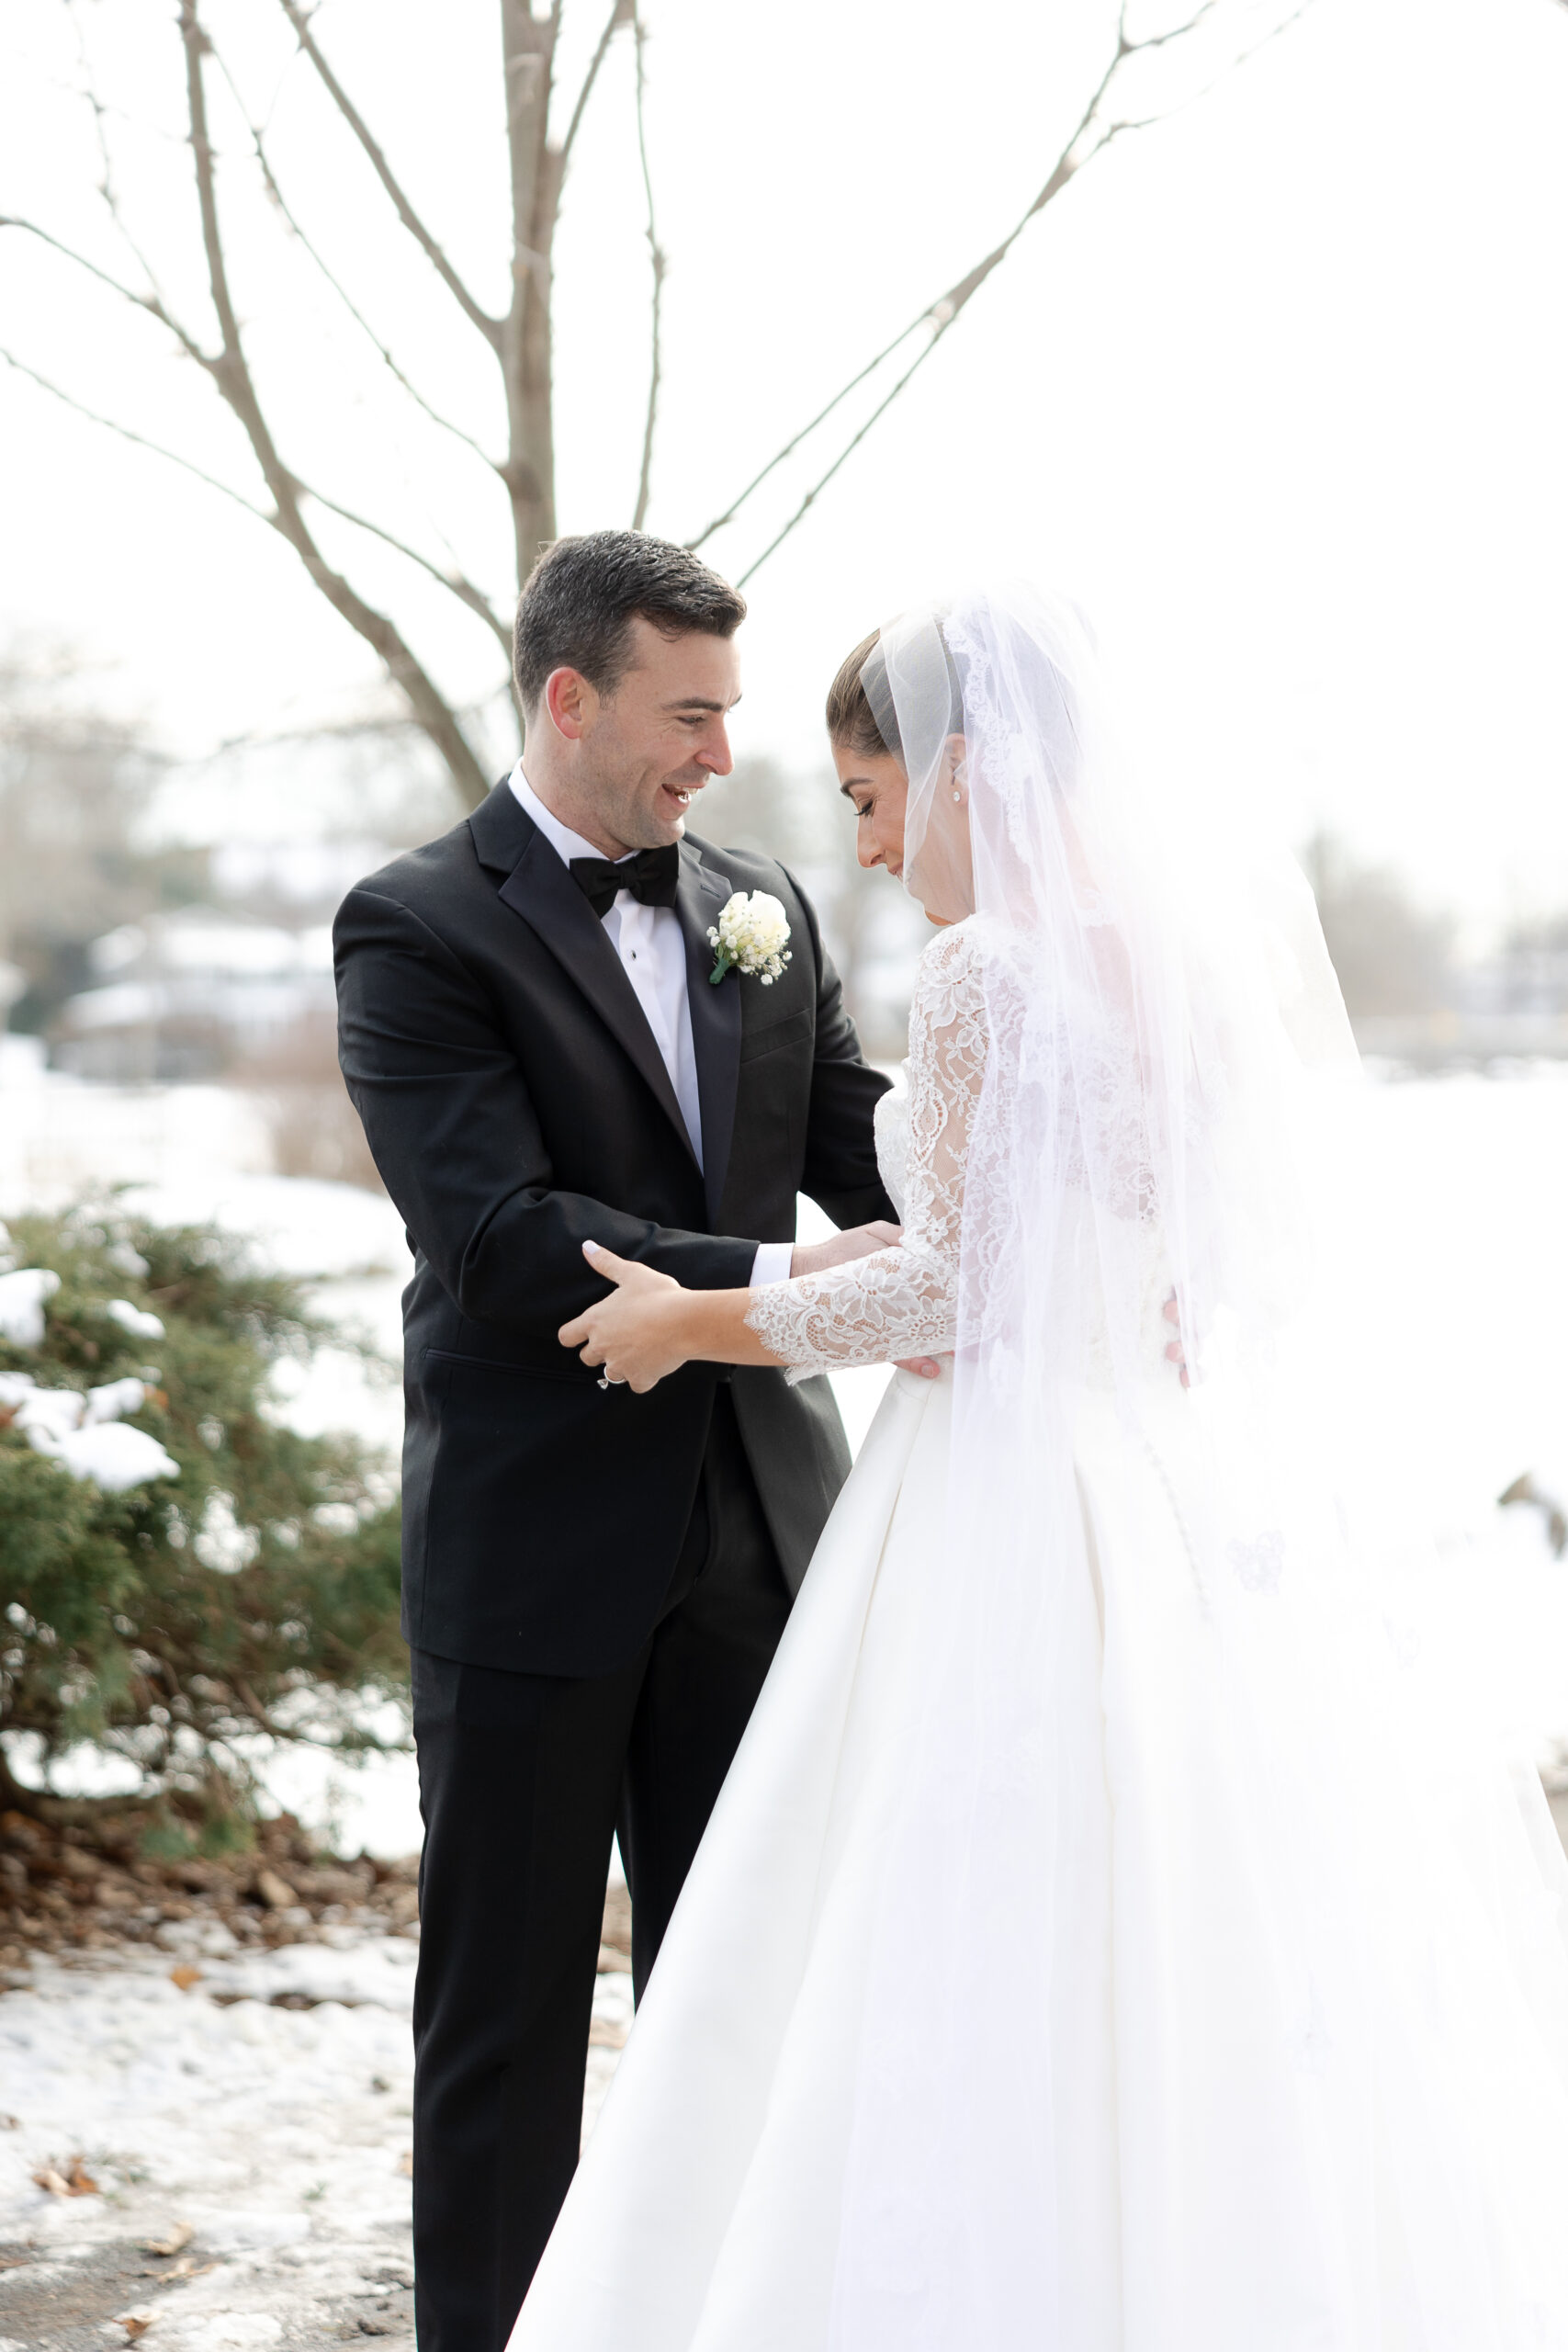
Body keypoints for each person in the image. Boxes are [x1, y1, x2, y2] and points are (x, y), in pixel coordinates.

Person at [510, 582, 1568, 2351]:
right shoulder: (1176, 965)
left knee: (951, 1914)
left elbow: (963, 1290)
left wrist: (697, 1324)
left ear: (962, 767)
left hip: (1006, 1504)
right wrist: (790, 1277)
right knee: (1190, 1913)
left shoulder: (992, 967)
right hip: (1159, 1483)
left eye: (871, 799)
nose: (866, 849)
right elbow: (1136, 1248)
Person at [333, 530, 908, 2352]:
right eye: (688, 715)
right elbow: (499, 1239)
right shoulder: (414, 925)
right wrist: (781, 1280)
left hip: (766, 1534)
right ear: (570, 697)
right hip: (535, 1551)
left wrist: (1055, 1195)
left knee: (742, 2001)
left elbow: (869, 1150)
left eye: (729, 714)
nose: (720, 756)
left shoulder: (763, 906)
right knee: (504, 2022)